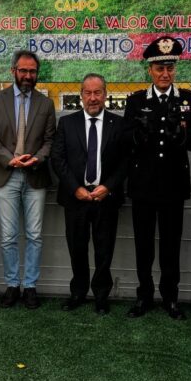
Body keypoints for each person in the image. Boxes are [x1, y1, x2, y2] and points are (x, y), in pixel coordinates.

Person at [122, 37, 191, 320]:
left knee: (171, 245)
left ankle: (171, 298)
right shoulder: (136, 101)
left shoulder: (189, 100)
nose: (165, 74)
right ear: (150, 70)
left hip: (173, 185)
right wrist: (138, 134)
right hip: (143, 185)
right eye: (159, 69)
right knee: (143, 245)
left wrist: (183, 136)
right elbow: (125, 140)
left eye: (169, 68)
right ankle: (144, 296)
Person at [0, 50, 56, 310]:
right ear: (13, 71)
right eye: (23, 70)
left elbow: (50, 140)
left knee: (34, 235)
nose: (27, 75)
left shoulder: (45, 104)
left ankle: (31, 286)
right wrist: (9, 159)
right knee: (8, 236)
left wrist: (36, 158)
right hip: (6, 175)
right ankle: (13, 285)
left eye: (32, 71)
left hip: (35, 175)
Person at [51, 74, 129, 315]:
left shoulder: (119, 124)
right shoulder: (67, 123)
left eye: (98, 92)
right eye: (88, 93)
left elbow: (125, 160)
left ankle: (101, 296)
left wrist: (109, 186)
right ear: (81, 95)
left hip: (106, 198)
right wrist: (75, 188)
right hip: (76, 198)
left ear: (105, 94)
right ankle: (78, 292)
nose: (93, 98)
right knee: (77, 248)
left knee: (104, 249)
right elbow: (58, 158)